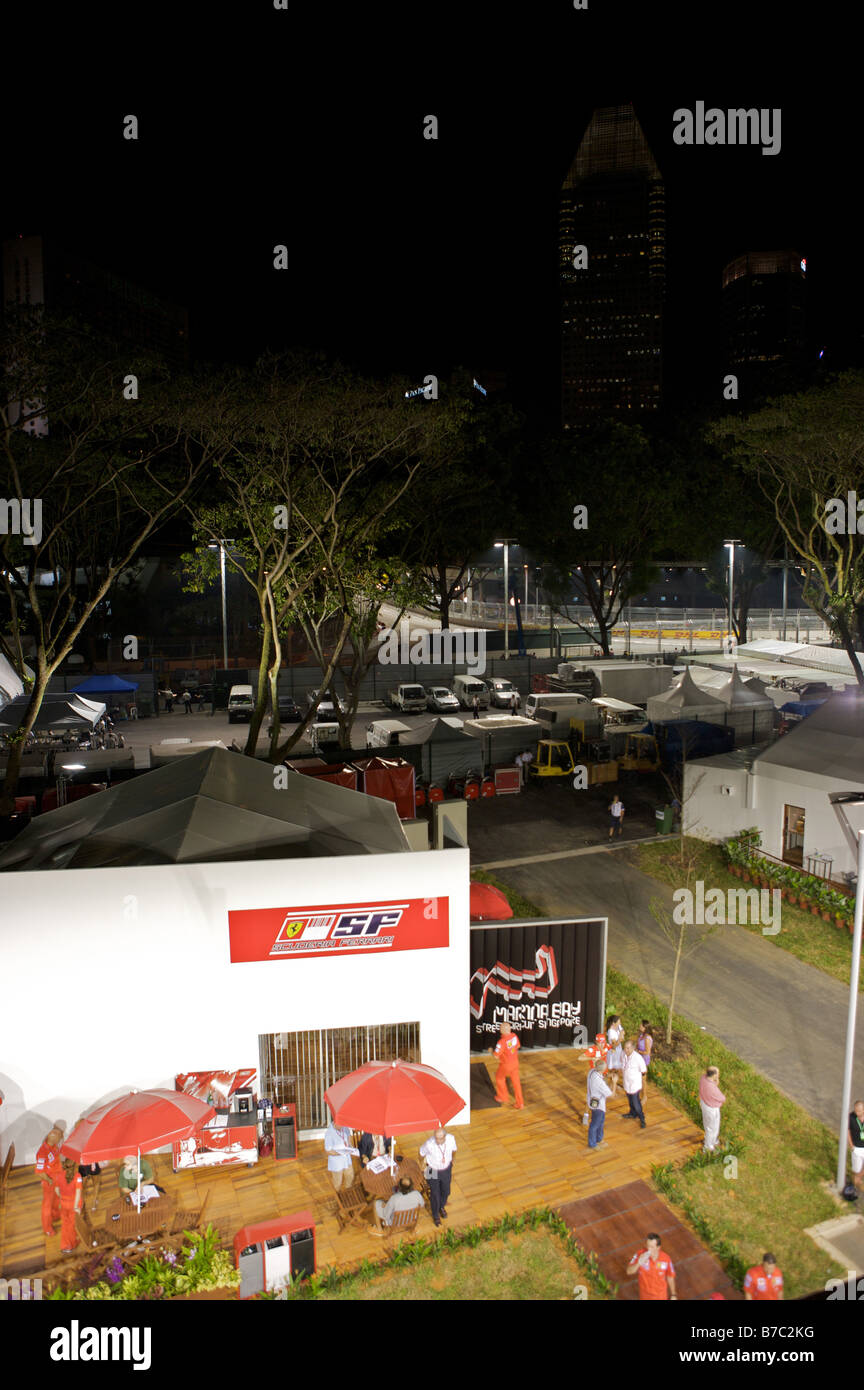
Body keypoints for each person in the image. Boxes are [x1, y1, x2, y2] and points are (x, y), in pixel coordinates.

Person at [419, 1126, 457, 1227]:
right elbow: (421, 1153)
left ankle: (441, 1206)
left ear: (445, 1136)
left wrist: (453, 1158)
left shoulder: (451, 1139)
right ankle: (435, 1215)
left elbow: (454, 1150)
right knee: (435, 1194)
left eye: (440, 1138)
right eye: (436, 1137)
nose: (437, 1140)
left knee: (446, 1191)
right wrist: (422, 1164)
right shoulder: (429, 1143)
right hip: (431, 1170)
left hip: (446, 1169)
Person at [626, 1233, 677, 1300]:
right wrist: (639, 1263)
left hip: (661, 1296)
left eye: (652, 1247)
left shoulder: (666, 1259)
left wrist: (673, 1295)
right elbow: (629, 1271)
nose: (649, 1250)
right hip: (645, 1296)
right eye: (648, 1246)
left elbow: (670, 1276)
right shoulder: (639, 1254)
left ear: (658, 1247)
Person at [35, 1126, 64, 1237]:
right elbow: (39, 1172)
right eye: (59, 1138)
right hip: (49, 1182)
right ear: (53, 1138)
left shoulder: (54, 1146)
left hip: (57, 1179)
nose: (60, 1140)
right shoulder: (42, 1153)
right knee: (47, 1205)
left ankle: (55, 1215)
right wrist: (49, 1180)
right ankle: (47, 1227)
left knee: (56, 1200)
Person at [492, 1020, 523, 1109]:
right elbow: (517, 1047)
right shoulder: (514, 1036)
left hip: (506, 1065)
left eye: (500, 1028)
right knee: (516, 1083)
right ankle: (520, 1103)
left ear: (502, 1030)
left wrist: (492, 1052)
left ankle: (503, 1097)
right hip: (515, 1063)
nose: (499, 1029)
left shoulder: (501, 1042)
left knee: (499, 1077)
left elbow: (496, 1056)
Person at [586, 1056, 616, 1150]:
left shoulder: (592, 1072)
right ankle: (592, 1143)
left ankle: (599, 1139)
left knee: (601, 1121)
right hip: (598, 1105)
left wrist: (607, 1076)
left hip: (592, 1101)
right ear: (603, 1069)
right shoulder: (600, 1083)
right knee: (595, 1124)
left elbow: (601, 1075)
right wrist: (614, 1082)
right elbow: (612, 1095)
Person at [55, 1156, 83, 1253]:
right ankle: (69, 1245)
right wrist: (76, 1207)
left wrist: (62, 1197)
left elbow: (57, 1190)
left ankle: (66, 1244)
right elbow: (78, 1193)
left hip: (63, 1202)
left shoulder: (59, 1175)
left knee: (65, 1224)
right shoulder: (77, 1176)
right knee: (72, 1225)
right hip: (73, 1204)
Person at [323, 1118, 356, 1191]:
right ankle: (338, 1196)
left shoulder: (345, 1127)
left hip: (347, 1159)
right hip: (337, 1162)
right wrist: (340, 1153)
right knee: (338, 1182)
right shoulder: (329, 1133)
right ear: (335, 1122)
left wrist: (350, 1146)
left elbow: (349, 1138)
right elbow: (328, 1151)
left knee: (350, 1176)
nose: (342, 1126)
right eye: (341, 1124)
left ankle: (348, 1192)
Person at [699, 1066, 726, 1152]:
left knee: (708, 1125)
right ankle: (708, 1147)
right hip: (711, 1108)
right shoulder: (711, 1087)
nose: (719, 1074)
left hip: (704, 1104)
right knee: (712, 1127)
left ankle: (711, 1141)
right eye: (717, 1073)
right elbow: (722, 1098)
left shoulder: (703, 1078)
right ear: (714, 1075)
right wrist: (716, 1084)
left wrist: (715, 1082)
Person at [621, 1041, 648, 1127]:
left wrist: (644, 1091)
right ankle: (632, 1113)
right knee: (630, 1101)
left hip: (634, 1085)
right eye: (625, 1048)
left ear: (633, 1048)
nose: (626, 1050)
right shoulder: (623, 1054)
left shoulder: (638, 1058)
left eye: (628, 1048)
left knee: (636, 1103)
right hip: (626, 1083)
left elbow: (644, 1071)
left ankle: (642, 1118)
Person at [848, 1100, 864, 1192]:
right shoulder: (851, 1117)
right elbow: (848, 1130)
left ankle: (858, 1178)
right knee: (856, 1169)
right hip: (857, 1147)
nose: (856, 1112)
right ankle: (854, 1185)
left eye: (859, 1111)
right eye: (855, 1110)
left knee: (859, 1172)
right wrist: (851, 1145)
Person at [605, 1014, 625, 1079]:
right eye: (619, 1021)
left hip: (618, 1052)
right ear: (614, 1023)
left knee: (616, 1070)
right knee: (613, 1070)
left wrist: (621, 1034)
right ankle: (605, 1080)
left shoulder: (618, 1026)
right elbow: (614, 1045)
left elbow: (623, 1031)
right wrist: (620, 1039)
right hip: (614, 1053)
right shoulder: (611, 1032)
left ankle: (613, 1083)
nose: (620, 1023)